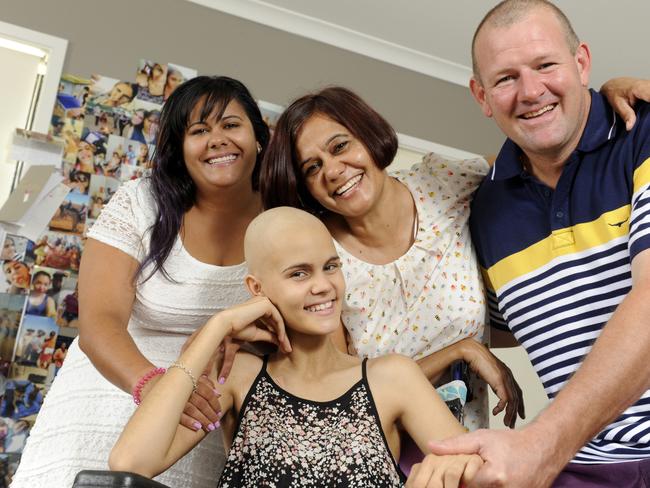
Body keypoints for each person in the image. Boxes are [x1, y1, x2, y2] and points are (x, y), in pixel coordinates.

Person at [428, 2, 650, 487]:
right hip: (585, 466)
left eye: (546, 65)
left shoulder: (646, 133)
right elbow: (504, 326)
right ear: (481, 96)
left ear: (582, 62)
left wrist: (541, 444)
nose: (531, 92)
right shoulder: (485, 211)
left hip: (560, 449)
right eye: (505, 79)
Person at [11, 76, 271, 488]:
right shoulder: (139, 201)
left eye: (230, 125)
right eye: (199, 131)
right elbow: (100, 323)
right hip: (112, 391)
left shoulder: (284, 219)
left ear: (259, 137)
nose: (217, 139)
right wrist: (155, 386)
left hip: (204, 414)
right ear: (180, 150)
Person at [110, 206, 483, 487]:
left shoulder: (392, 377)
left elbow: (482, 470)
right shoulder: (236, 375)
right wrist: (216, 327)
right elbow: (131, 462)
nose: (322, 285)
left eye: (330, 267)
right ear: (257, 289)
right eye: (299, 273)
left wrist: (452, 469)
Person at [261, 86, 525, 438]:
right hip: (377, 463)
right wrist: (461, 350)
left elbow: (538, 160)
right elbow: (344, 397)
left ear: (368, 137)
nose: (334, 170)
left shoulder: (443, 182)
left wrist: (605, 100)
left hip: (462, 456)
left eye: (340, 146)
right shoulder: (319, 259)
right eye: (312, 167)